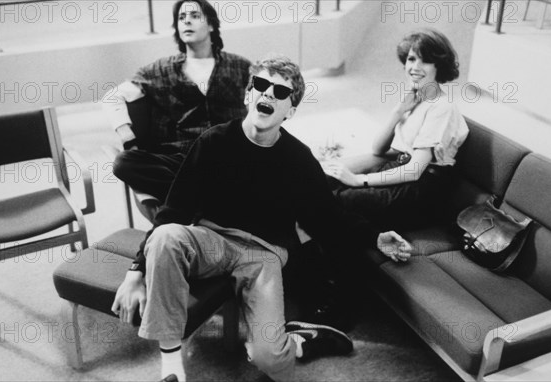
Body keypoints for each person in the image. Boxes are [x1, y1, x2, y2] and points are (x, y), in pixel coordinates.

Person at [112, 54, 412, 382]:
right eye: (261, 85)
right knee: (167, 235)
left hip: (262, 254)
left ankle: (301, 341)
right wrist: (135, 272)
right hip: (212, 240)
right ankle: (172, 369)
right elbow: (174, 211)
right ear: (248, 95)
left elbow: (327, 217)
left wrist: (375, 237)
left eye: (280, 92)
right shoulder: (213, 141)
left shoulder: (299, 159)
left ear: (290, 111)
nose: (268, 94)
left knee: (269, 359)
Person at [103, 0, 251, 205]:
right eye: (181, 18)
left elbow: (265, 97)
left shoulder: (240, 66)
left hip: (228, 156)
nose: (186, 21)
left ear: (211, 25)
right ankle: (209, 198)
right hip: (181, 159)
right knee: (124, 163)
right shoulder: (160, 70)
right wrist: (128, 137)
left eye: (194, 16)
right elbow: (112, 97)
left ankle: (194, 199)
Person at [321, 29, 469, 230]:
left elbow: (415, 171)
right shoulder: (416, 99)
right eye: (411, 59)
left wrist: (359, 180)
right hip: (399, 171)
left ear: (439, 66)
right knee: (325, 185)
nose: (414, 67)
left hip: (421, 190)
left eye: (424, 61)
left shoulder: (442, 107)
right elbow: (378, 149)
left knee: (340, 200)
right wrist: (398, 111)